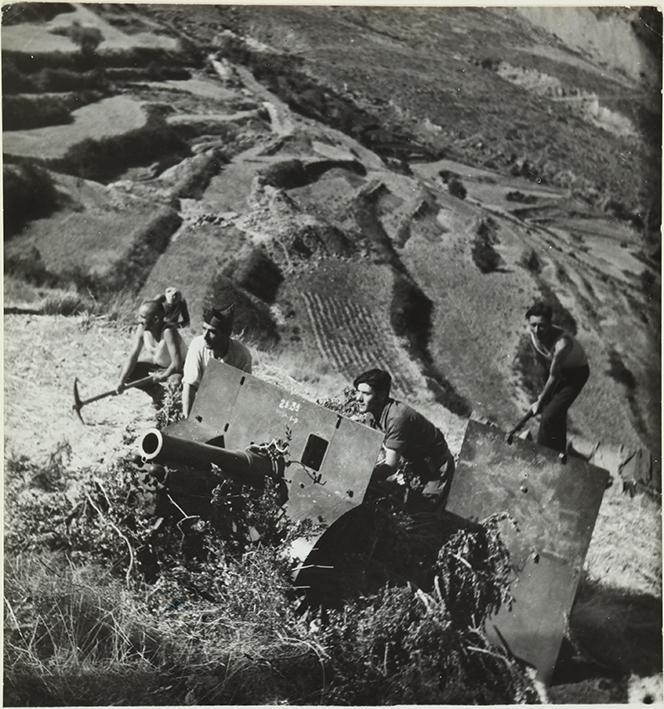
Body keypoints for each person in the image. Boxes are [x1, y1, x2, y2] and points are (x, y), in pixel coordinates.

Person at [353, 368, 454, 502]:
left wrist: (360, 478)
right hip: (416, 464)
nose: (358, 398)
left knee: (424, 513)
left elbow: (390, 466)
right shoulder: (372, 413)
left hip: (436, 467)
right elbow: (367, 451)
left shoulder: (397, 417)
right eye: (358, 392)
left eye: (366, 393)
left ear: (382, 395)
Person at [525, 300, 590, 454]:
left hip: (576, 374)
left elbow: (554, 377)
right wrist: (542, 394)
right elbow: (542, 361)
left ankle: (540, 456)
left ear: (550, 323)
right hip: (557, 370)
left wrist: (540, 402)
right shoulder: (533, 333)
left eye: (542, 325)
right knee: (555, 413)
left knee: (548, 416)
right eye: (533, 325)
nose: (537, 329)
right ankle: (558, 452)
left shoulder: (562, 344)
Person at [182, 305, 253, 417]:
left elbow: (244, 393)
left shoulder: (242, 354)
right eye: (204, 329)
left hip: (226, 406)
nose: (205, 336)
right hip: (199, 401)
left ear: (227, 334)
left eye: (212, 332)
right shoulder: (197, 345)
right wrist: (187, 420)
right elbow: (190, 385)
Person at [116, 300, 187, 403]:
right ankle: (157, 394)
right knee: (126, 372)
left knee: (175, 383)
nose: (139, 320)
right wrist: (121, 381)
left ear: (155, 319)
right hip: (159, 366)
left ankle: (174, 404)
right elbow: (133, 355)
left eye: (143, 317)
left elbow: (177, 364)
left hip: (179, 370)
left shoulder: (168, 332)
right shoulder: (142, 328)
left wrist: (162, 376)